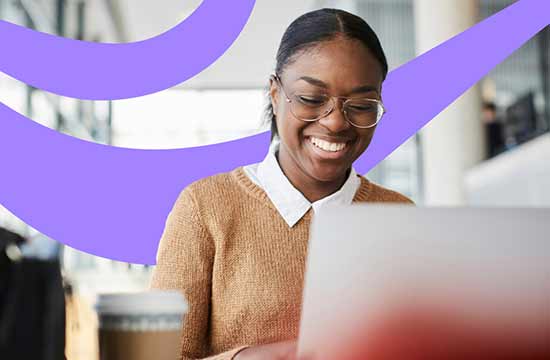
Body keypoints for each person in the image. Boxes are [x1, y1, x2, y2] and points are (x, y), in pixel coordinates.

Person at [151, 8, 412, 360]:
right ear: (275, 95)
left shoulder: (400, 216)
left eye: (362, 105)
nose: (336, 123)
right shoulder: (205, 208)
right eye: (311, 99)